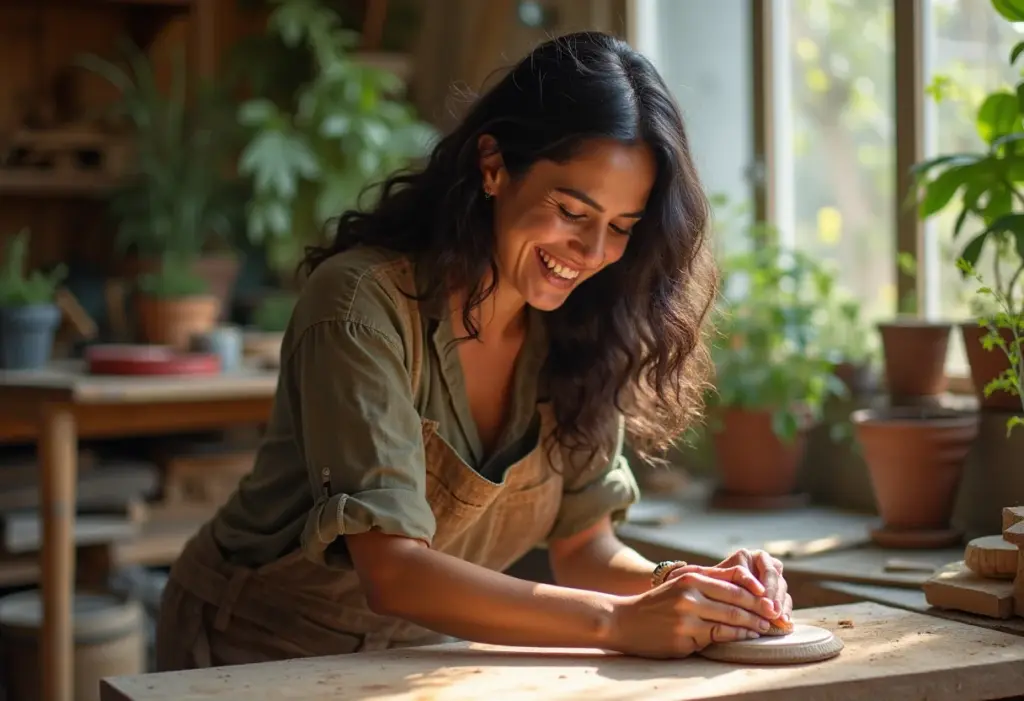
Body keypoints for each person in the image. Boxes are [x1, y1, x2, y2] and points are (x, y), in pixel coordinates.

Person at [154, 30, 792, 670]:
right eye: (572, 211)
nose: (594, 252)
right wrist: (620, 622)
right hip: (250, 646)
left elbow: (584, 546)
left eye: (621, 228)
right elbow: (395, 573)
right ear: (493, 166)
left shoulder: (586, 330)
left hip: (416, 658)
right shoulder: (361, 307)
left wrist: (698, 591)